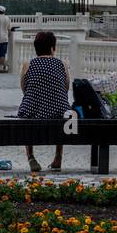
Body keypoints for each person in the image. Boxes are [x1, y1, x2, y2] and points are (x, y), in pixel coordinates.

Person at [17, 30, 70, 172]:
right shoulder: (62, 64)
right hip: (59, 115)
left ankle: (31, 157)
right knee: (62, 108)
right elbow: (65, 88)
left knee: (26, 108)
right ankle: (58, 156)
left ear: (36, 48)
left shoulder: (28, 64)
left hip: (33, 114)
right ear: (53, 48)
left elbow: (24, 89)